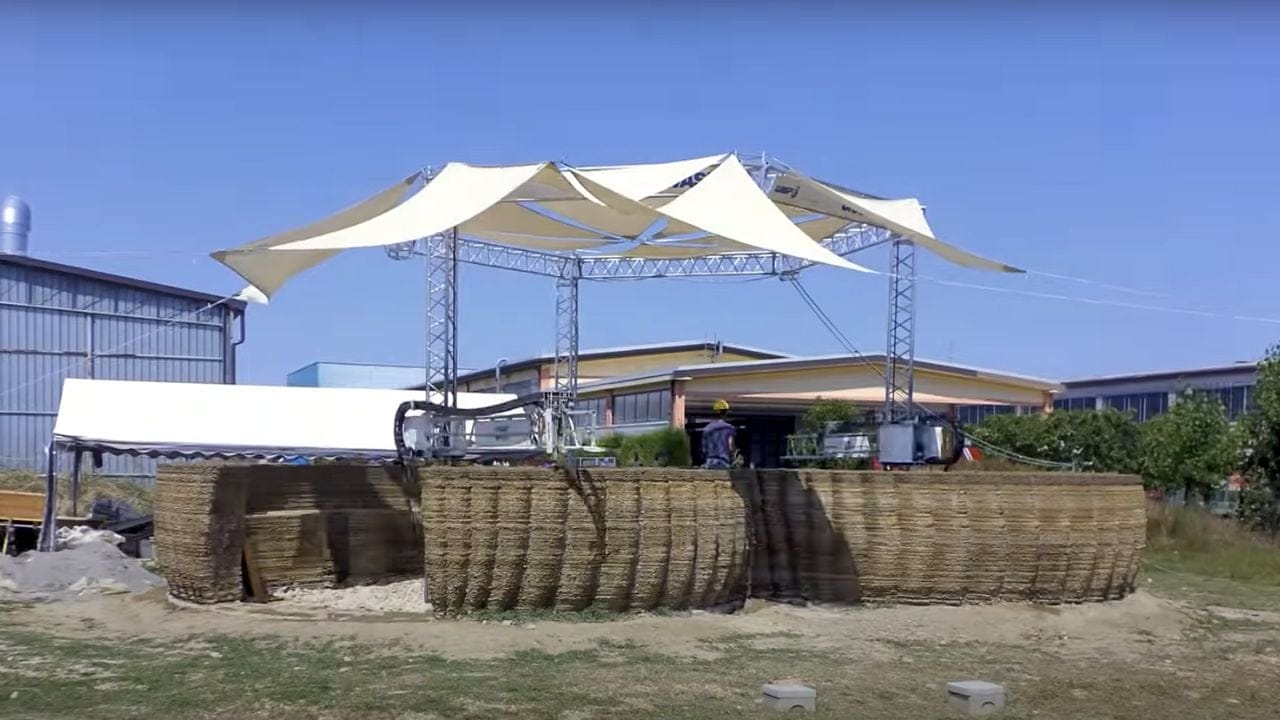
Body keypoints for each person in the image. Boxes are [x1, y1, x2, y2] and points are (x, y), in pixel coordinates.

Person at [702, 399, 737, 469]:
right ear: (726, 413)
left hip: (710, 462)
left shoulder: (707, 428)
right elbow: (731, 447)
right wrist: (734, 458)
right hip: (723, 462)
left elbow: (704, 449)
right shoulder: (729, 428)